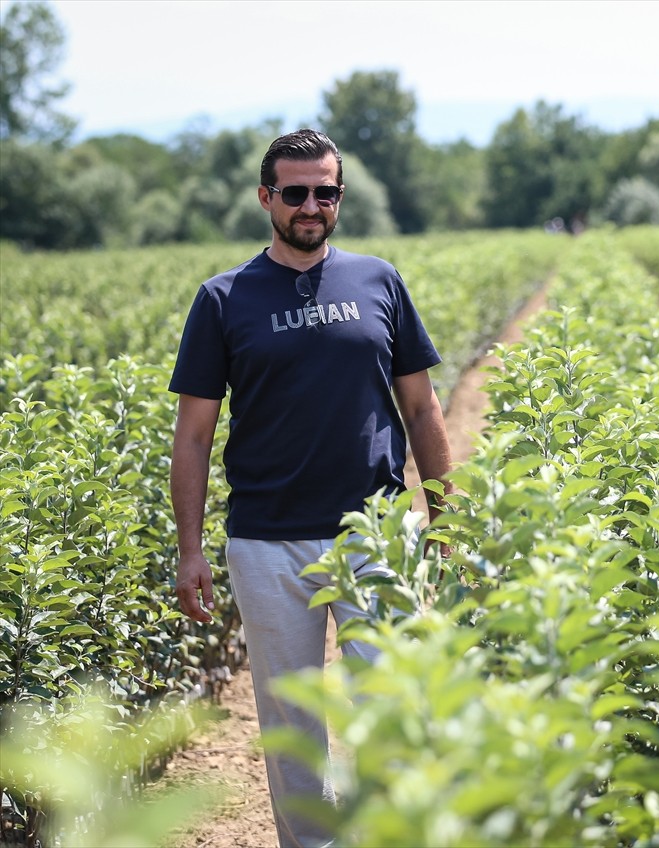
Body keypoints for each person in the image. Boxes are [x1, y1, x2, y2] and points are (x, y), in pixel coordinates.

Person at [169, 128, 452, 848]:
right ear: (266, 198)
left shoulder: (379, 281)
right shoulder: (224, 298)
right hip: (267, 541)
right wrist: (190, 549)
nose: (310, 205)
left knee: (391, 704)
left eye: (324, 191)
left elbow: (422, 409)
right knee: (292, 725)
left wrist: (449, 520)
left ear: (339, 197)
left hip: (377, 532)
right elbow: (195, 435)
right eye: (294, 192)